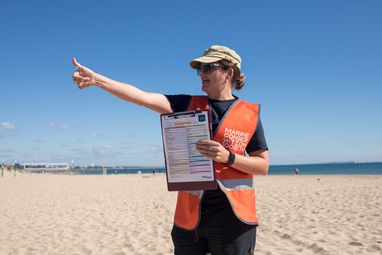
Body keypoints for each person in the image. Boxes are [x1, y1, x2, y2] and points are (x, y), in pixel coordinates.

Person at [72, 45, 270, 255]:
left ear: (229, 72)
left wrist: (228, 157)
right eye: (200, 69)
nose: (202, 73)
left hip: (234, 222)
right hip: (189, 220)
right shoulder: (187, 103)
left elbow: (263, 165)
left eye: (209, 68)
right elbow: (142, 98)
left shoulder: (249, 114)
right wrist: (98, 80)